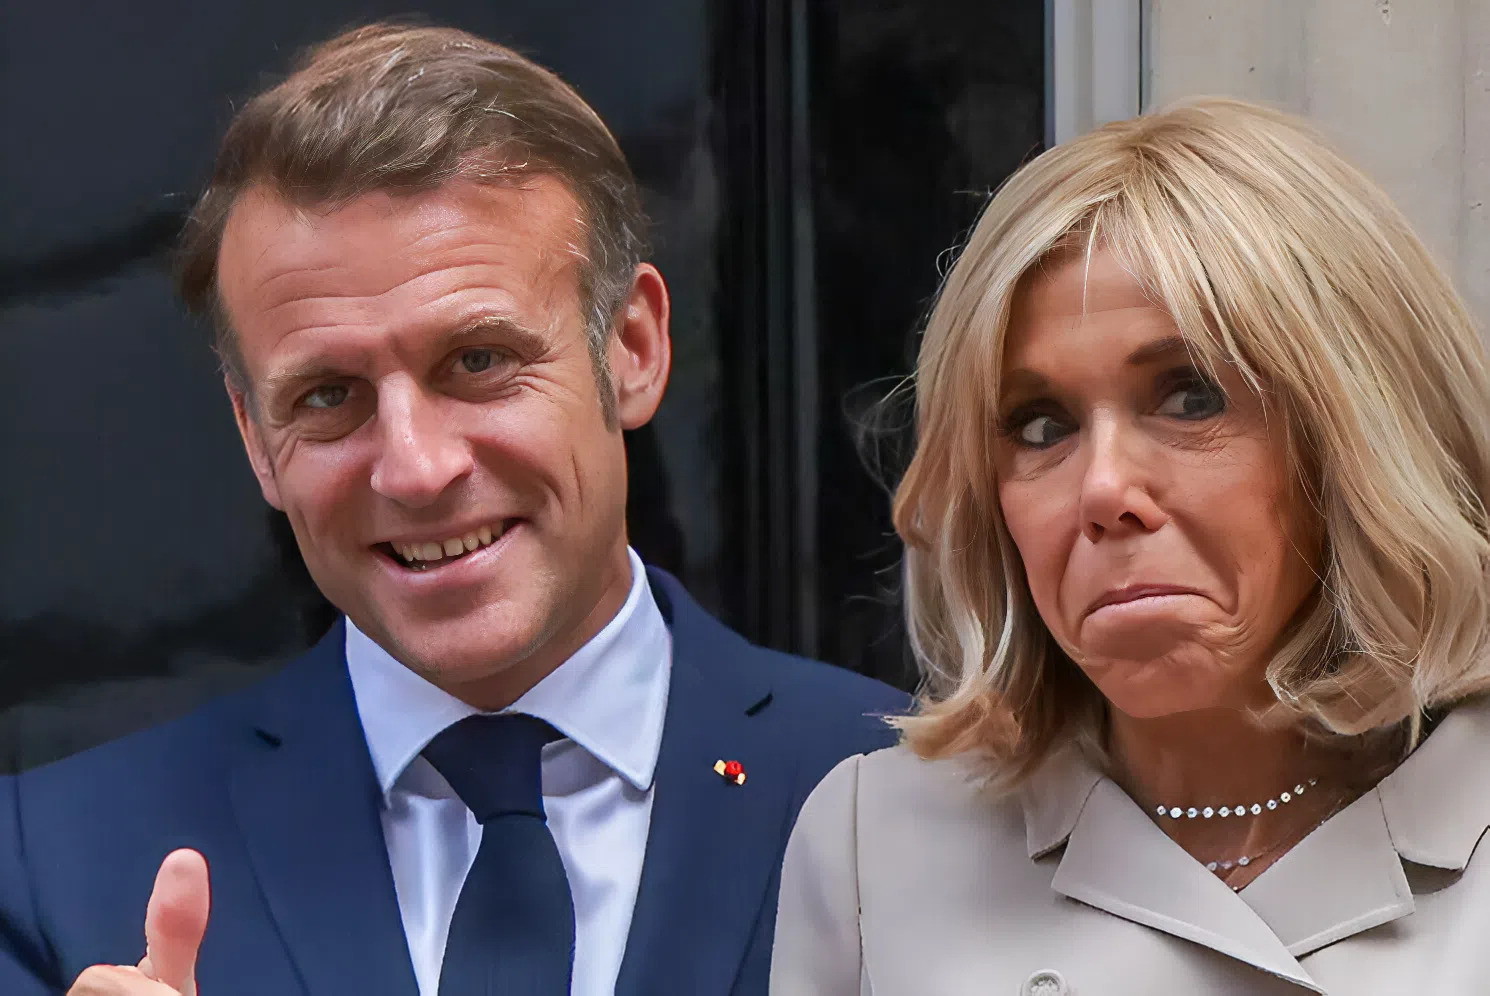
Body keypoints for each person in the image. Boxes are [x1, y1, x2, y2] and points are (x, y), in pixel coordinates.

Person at [0, 22, 906, 996]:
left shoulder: (915, 799)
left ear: (633, 348)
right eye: (328, 395)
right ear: (255, 436)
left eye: (478, 361)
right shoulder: (52, 867)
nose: (416, 469)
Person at [771, 97, 1490, 995]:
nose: (1104, 489)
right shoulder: (876, 848)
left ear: (1359, 437)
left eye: (1190, 398)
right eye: (1041, 426)